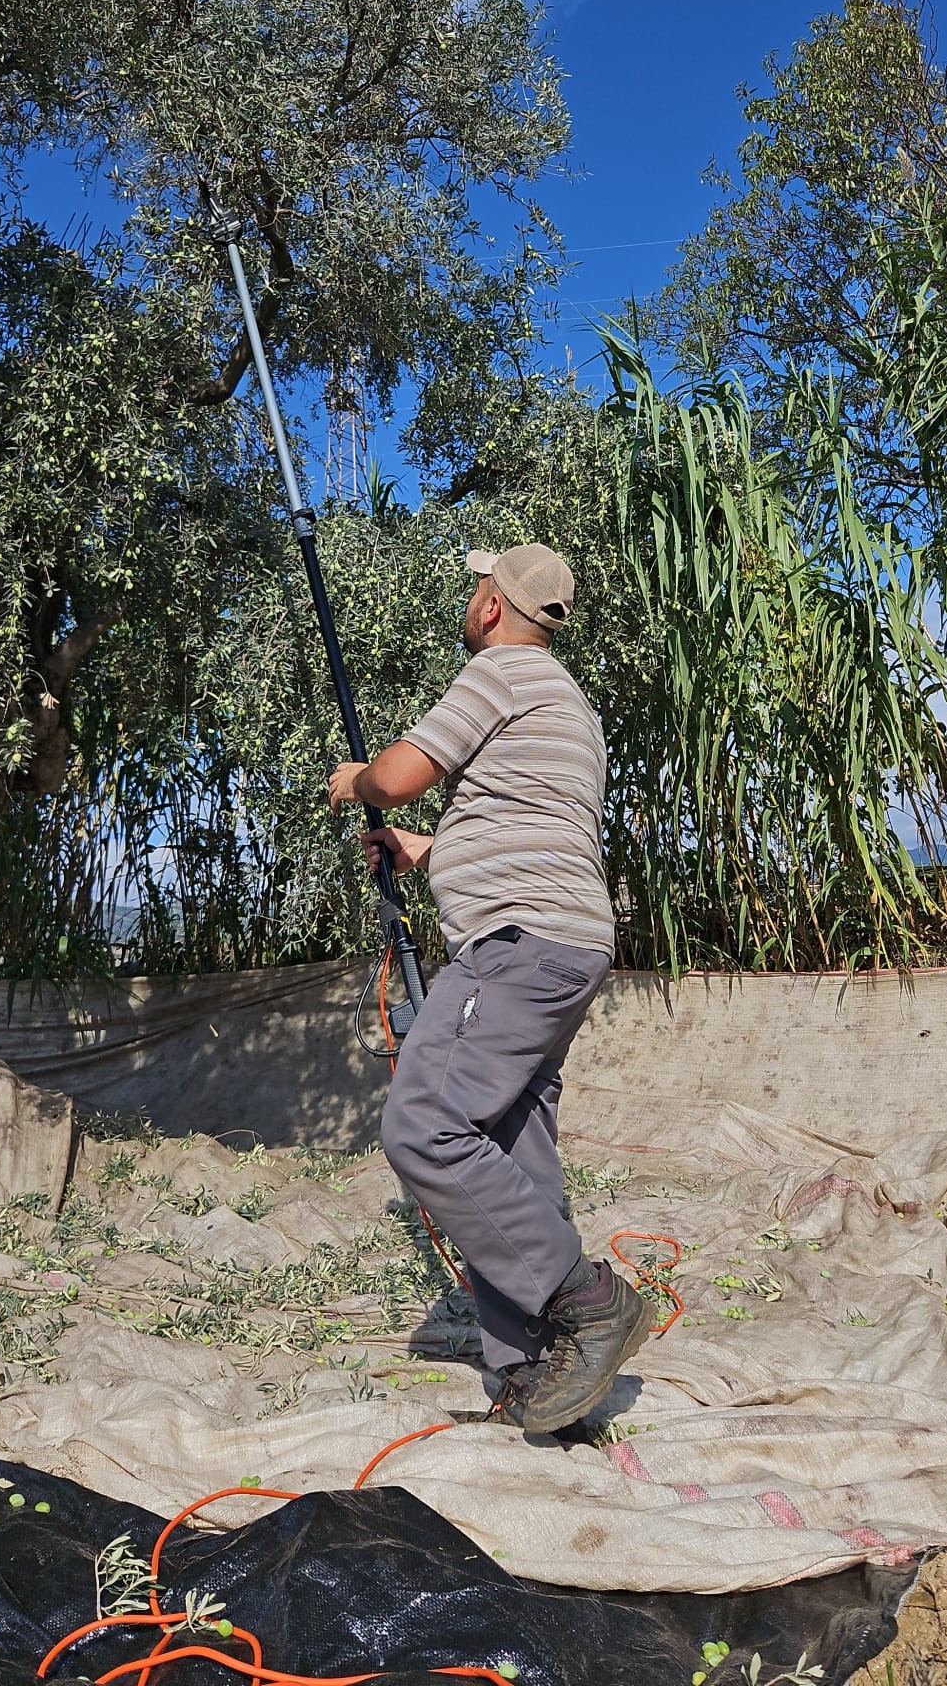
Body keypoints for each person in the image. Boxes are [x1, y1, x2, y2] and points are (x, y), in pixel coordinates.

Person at [328, 542, 651, 1434]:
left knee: (423, 1125)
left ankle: (587, 1301)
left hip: (512, 949)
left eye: (480, 585)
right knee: (511, 1148)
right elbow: (524, 823)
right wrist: (426, 851)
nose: (472, 599)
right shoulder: (567, 705)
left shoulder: (500, 672)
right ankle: (542, 1374)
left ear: (494, 607)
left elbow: (396, 777)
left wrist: (356, 784)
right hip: (565, 948)